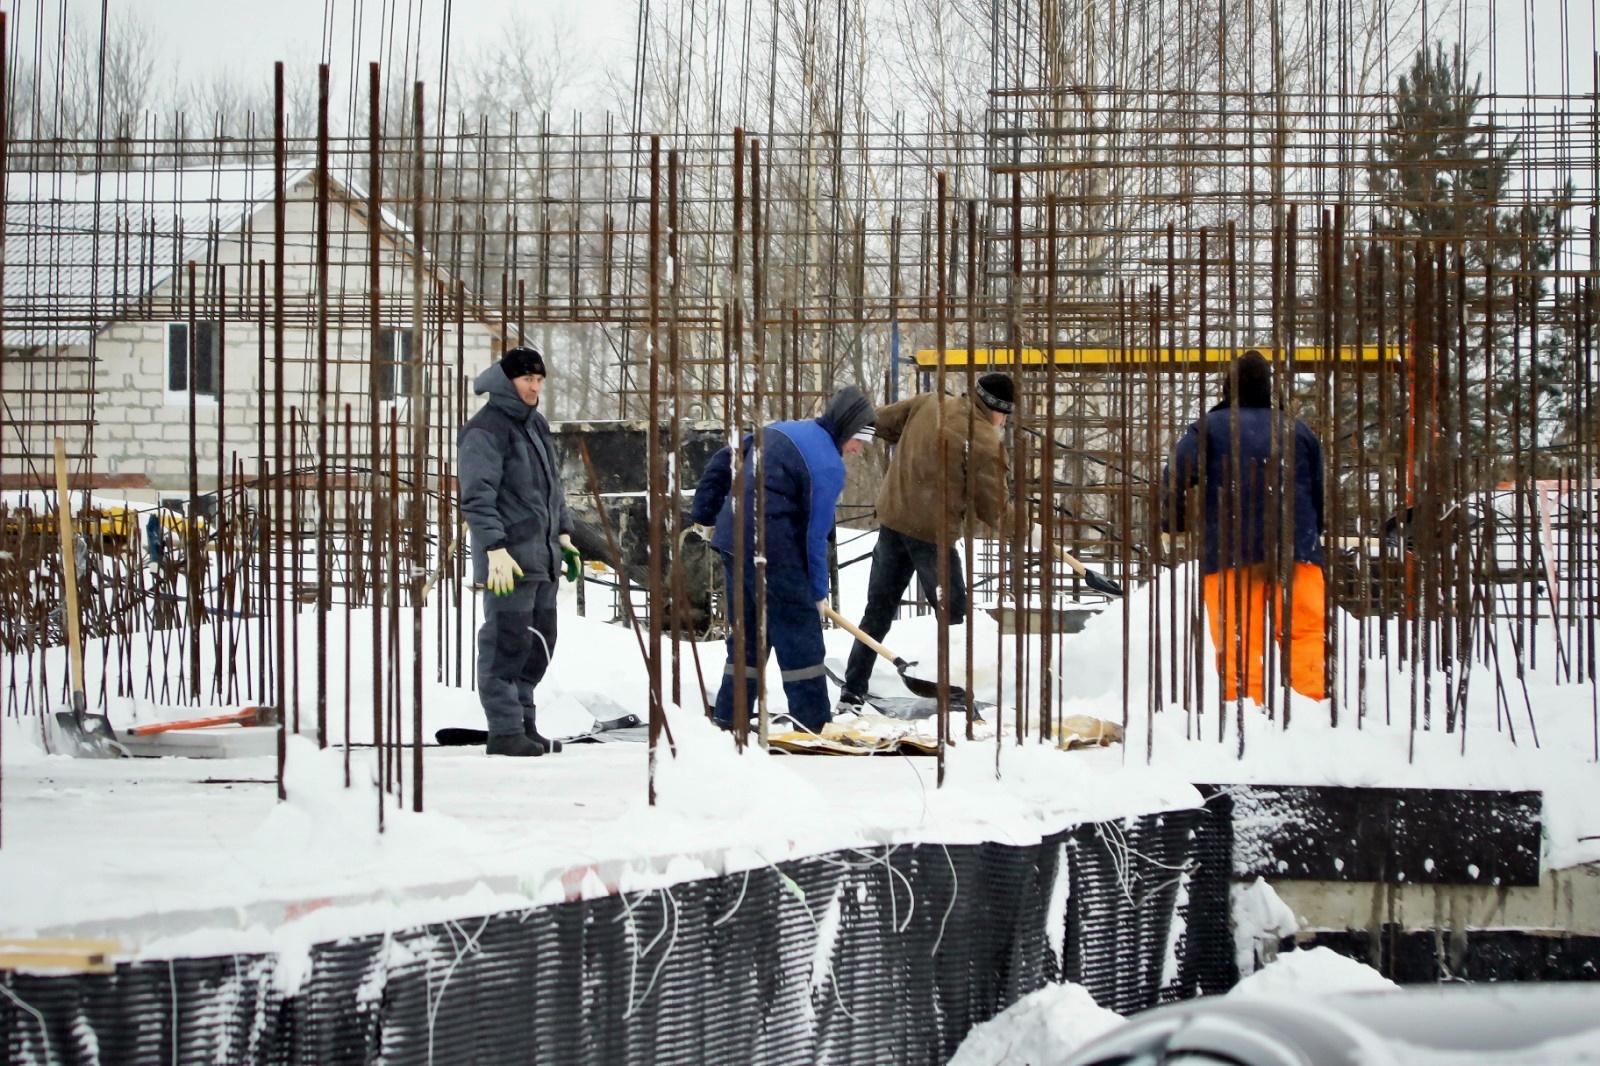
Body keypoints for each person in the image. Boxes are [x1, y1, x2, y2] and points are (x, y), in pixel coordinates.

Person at [837, 372, 1028, 712]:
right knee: (955, 618)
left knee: (877, 612)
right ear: (997, 409)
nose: (1005, 421)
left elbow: (878, 422)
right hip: (931, 535)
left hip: (894, 520)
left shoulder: (930, 402)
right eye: (1006, 414)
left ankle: (852, 691)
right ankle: (954, 696)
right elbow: (993, 509)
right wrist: (1028, 529)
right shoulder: (983, 440)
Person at [689, 386, 877, 732]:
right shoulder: (827, 465)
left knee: (748, 633)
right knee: (800, 635)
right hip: (775, 548)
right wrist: (817, 592)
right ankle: (814, 723)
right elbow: (813, 537)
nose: (856, 450)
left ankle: (731, 716)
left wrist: (705, 515)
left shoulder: (782, 429)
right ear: (847, 430)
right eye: (858, 441)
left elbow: (723, 460)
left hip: (734, 542)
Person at [1163, 350, 1326, 704]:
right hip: (1296, 549)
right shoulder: (1298, 430)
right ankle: (1310, 703)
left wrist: (1172, 521)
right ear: (1270, 388)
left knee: (1238, 636)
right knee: (1305, 631)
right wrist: (1314, 534)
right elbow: (1317, 490)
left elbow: (1177, 471)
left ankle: (1244, 706)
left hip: (1230, 551)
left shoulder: (1210, 427)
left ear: (1227, 388)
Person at [459, 344, 583, 757]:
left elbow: (552, 490)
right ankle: (505, 731)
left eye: (539, 380)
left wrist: (564, 535)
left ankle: (525, 725)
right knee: (505, 645)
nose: (534, 387)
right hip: (508, 561)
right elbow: (477, 497)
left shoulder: (535, 425)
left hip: (541, 557)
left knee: (537, 643)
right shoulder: (486, 429)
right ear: (507, 381)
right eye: (528, 379)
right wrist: (493, 547)